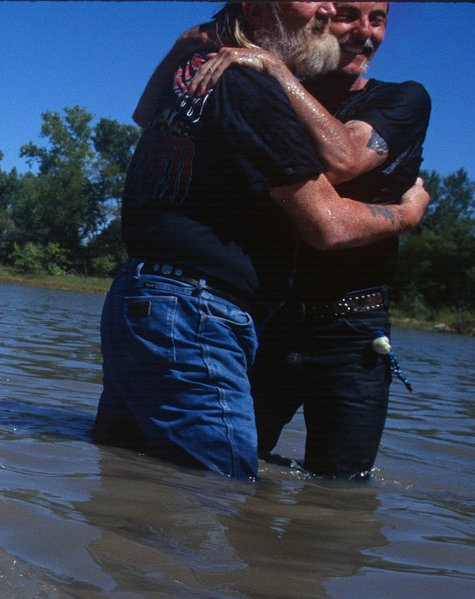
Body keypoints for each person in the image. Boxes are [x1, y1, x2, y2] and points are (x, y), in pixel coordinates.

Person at [92, 1, 429, 481]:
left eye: (378, 19)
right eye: (335, 11)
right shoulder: (251, 82)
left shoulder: (204, 72)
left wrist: (198, 44)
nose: (341, 20)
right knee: (215, 503)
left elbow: (146, 116)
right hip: (201, 312)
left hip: (151, 300)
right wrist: (407, 212)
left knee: (128, 478)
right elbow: (327, 224)